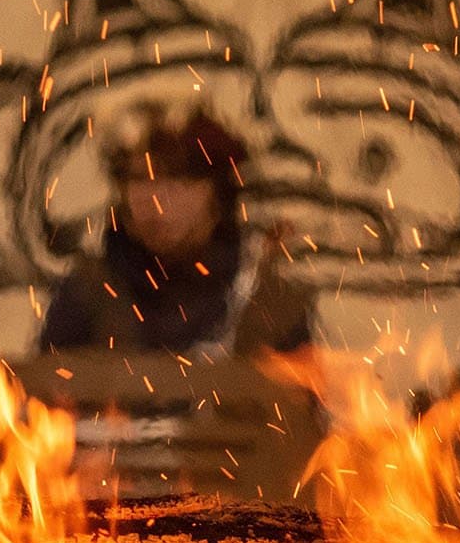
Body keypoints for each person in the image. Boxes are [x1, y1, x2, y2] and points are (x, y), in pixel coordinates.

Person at [39, 96, 313, 355]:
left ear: (218, 194)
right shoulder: (86, 294)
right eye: (140, 178)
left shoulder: (268, 299)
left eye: (177, 179)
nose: (155, 200)